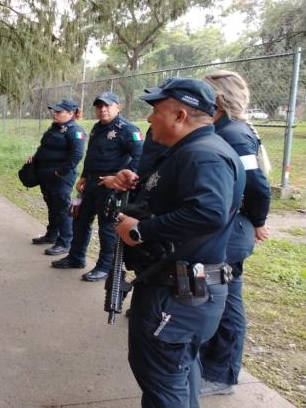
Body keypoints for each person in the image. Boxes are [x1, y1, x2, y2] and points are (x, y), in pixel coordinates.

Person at [115, 77, 245, 407]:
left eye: (156, 110)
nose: (148, 119)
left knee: (163, 385)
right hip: (180, 289)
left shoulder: (203, 155)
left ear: (179, 116)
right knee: (177, 376)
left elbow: (209, 212)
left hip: (177, 294)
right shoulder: (192, 151)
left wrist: (140, 231)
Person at [199, 70, 271, 397]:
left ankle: (222, 374)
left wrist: (257, 221)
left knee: (225, 298)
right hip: (223, 226)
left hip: (235, 228)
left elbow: (257, 185)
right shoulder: (220, 128)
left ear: (218, 98)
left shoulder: (235, 133)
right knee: (212, 292)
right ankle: (207, 360)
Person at [52, 91, 143, 278]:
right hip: (92, 183)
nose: (103, 110)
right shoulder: (96, 128)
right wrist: (84, 175)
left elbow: (139, 158)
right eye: (99, 106)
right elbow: (92, 154)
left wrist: (119, 179)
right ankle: (76, 257)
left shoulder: (128, 130)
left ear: (118, 106)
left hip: (111, 187)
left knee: (107, 228)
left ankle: (105, 268)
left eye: (107, 106)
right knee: (80, 221)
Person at [24, 99, 86, 254]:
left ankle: (65, 242)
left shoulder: (75, 131)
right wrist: (36, 158)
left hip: (60, 178)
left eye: (59, 111)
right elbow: (44, 147)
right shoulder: (55, 128)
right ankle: (51, 235)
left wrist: (62, 172)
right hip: (46, 175)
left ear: (70, 113)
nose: (55, 113)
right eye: (55, 111)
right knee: (52, 206)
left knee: (62, 209)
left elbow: (77, 154)